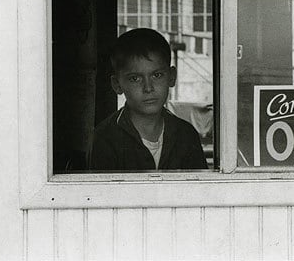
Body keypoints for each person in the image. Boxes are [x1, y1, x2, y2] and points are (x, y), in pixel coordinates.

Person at [87, 28, 208, 171]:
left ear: (172, 77)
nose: (148, 88)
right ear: (117, 85)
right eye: (135, 78)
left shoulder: (186, 135)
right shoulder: (105, 139)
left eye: (157, 75)